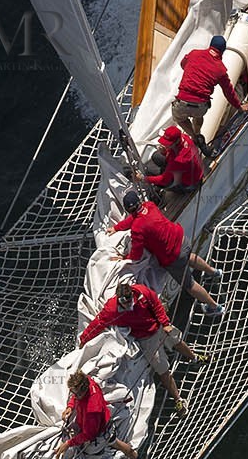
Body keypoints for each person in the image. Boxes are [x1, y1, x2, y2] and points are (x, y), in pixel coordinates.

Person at [79, 278, 205, 418]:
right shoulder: (112, 309)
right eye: (123, 303)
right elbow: (98, 323)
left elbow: (156, 305)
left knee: (177, 341)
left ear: (132, 295)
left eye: (128, 302)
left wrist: (165, 323)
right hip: (146, 339)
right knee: (162, 370)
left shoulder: (142, 292)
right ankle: (178, 400)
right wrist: (83, 339)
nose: (126, 305)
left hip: (159, 327)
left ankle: (195, 358)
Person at [105, 191, 223, 320]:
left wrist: (124, 258)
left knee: (190, 285)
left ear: (128, 209)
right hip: (182, 240)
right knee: (190, 257)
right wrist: (117, 228)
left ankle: (214, 307)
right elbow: (135, 218)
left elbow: (136, 254)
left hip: (174, 257)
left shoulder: (137, 229)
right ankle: (214, 272)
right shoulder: (150, 206)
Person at [54, 369, 148, 459]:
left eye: (75, 393)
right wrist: (70, 406)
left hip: (98, 437)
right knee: (117, 443)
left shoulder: (92, 410)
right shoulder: (88, 381)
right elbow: (75, 396)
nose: (73, 395)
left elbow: (89, 435)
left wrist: (68, 444)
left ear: (82, 391)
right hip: (107, 426)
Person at [172, 35, 247, 154]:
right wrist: (239, 106)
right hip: (201, 106)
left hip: (183, 101)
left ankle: (194, 136)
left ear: (211, 45)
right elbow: (229, 92)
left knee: (179, 118)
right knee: (198, 115)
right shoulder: (221, 69)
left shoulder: (194, 53)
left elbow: (182, 64)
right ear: (222, 51)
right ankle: (197, 132)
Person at [143, 124, 205, 207]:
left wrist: (144, 179)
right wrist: (165, 152)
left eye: (168, 144)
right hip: (193, 171)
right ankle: (167, 172)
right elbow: (173, 155)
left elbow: (164, 180)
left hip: (189, 184)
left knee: (149, 171)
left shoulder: (179, 160)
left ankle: (160, 198)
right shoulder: (184, 137)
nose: (166, 145)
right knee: (156, 156)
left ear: (176, 142)